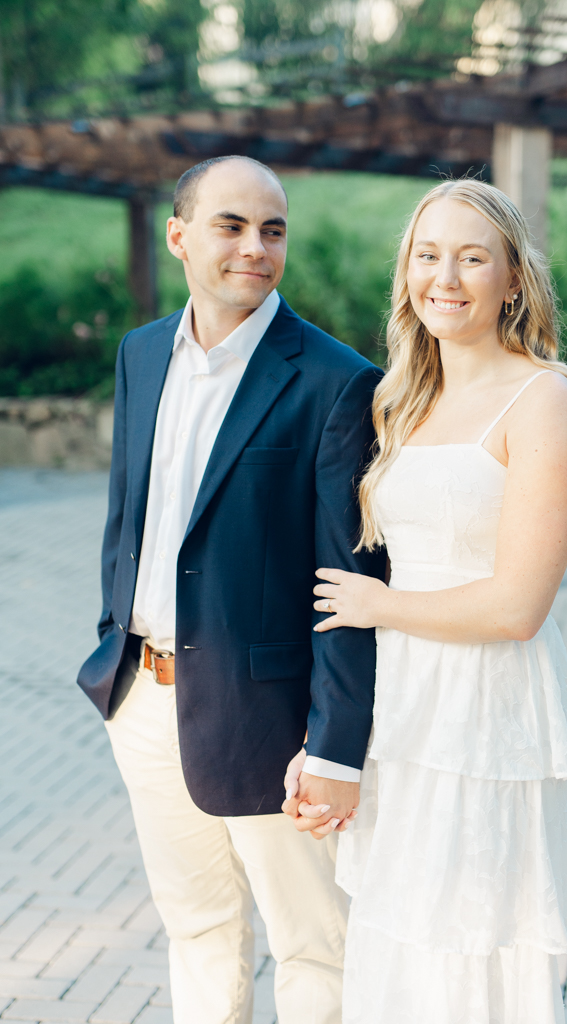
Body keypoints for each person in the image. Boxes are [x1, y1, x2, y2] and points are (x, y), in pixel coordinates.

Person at [284, 178, 567, 1024]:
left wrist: (380, 607)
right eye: (428, 256)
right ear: (406, 274)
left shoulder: (545, 399)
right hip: (401, 702)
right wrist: (329, 742)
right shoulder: (397, 402)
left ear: (512, 278)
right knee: (394, 933)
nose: (446, 278)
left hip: (487, 710)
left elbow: (516, 608)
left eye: (471, 257)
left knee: (470, 938)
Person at [77, 154, 385, 1024]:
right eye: (232, 225)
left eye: (273, 229)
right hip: (144, 700)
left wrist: (331, 746)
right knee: (198, 930)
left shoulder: (335, 381)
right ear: (179, 235)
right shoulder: (141, 354)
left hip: (271, 722)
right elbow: (127, 519)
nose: (256, 247)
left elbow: (348, 580)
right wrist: (115, 644)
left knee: (313, 944)